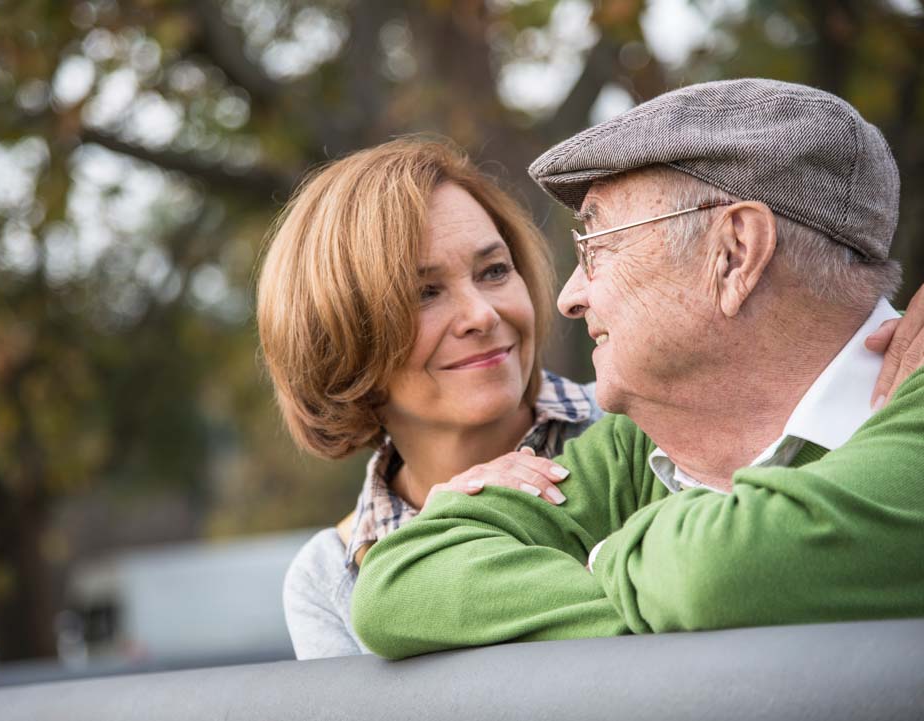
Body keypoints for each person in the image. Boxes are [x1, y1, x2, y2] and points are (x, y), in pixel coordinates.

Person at [350, 78, 924, 659]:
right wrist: (667, 592)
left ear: (735, 254)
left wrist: (602, 554)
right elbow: (399, 585)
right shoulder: (643, 443)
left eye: (596, 244)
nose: (568, 297)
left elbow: (716, 574)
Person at [256, 139, 602, 659]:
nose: (482, 315)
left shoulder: (648, 425)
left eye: (493, 271)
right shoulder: (331, 578)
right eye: (424, 293)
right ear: (342, 339)